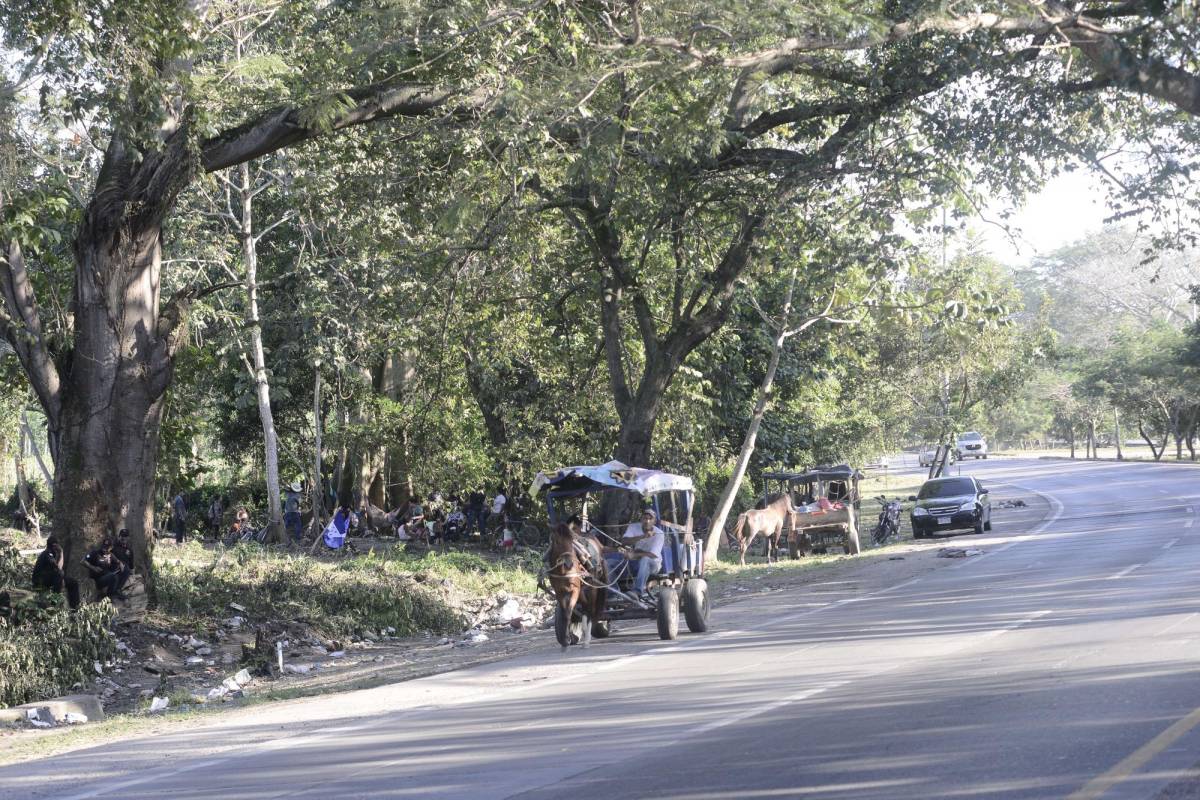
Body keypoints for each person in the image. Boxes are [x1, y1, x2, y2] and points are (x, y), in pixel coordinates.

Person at [606, 509, 664, 602]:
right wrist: (643, 536)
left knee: (644, 559)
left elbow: (653, 555)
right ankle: (614, 594)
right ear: (641, 519)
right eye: (645, 518)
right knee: (607, 563)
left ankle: (637, 591)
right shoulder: (633, 527)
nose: (647, 521)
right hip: (634, 564)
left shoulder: (659, 533)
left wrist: (634, 555)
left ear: (654, 521)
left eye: (650, 519)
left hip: (652, 565)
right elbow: (624, 542)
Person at [32, 535, 80, 609]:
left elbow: (57, 570)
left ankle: (74, 607)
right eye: (58, 545)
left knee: (73, 583)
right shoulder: (47, 554)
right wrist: (61, 553)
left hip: (50, 578)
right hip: (40, 580)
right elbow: (59, 568)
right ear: (54, 545)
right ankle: (54, 601)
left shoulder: (52, 553)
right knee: (59, 574)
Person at [83, 536, 130, 602]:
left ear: (111, 547)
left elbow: (117, 560)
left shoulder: (110, 554)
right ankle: (110, 595)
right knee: (113, 576)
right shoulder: (95, 553)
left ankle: (117, 590)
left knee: (126, 569)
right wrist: (93, 567)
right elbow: (83, 561)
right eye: (104, 546)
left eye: (107, 547)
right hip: (99, 579)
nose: (105, 549)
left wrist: (120, 563)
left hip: (108, 575)